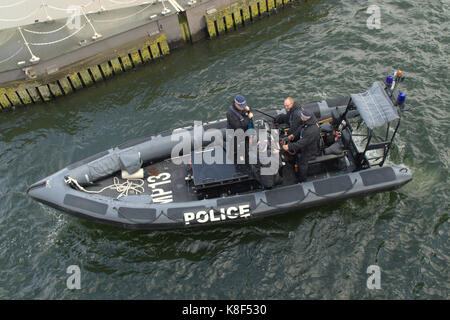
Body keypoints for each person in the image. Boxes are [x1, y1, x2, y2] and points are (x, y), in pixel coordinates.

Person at [282, 109, 320, 182]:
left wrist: (288, 147)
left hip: (310, 149)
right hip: (305, 143)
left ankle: (302, 179)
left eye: (301, 116)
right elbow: (301, 128)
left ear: (306, 117)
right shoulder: (308, 121)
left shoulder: (311, 130)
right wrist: (293, 135)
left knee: (302, 163)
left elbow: (302, 143)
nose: (300, 116)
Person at [226, 95, 254, 164]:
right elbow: (238, 126)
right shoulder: (230, 114)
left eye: (244, 106)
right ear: (236, 104)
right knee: (236, 146)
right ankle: (238, 155)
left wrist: (248, 111)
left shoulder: (243, 108)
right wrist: (248, 118)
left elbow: (245, 115)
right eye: (241, 106)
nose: (243, 107)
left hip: (243, 131)